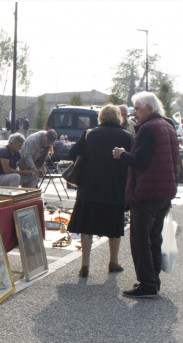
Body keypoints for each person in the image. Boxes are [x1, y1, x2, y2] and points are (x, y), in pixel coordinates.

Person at [113, 92, 179, 298]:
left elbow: (141, 160)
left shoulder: (149, 128)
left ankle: (147, 283)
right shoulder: (167, 126)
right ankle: (153, 280)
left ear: (149, 108)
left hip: (147, 191)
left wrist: (122, 154)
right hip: (163, 191)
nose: (135, 113)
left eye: (137, 109)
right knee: (153, 238)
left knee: (141, 239)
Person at [67, 105, 133, 278]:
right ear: (119, 118)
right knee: (114, 227)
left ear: (101, 117)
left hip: (89, 187)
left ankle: (85, 264)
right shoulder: (127, 136)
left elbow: (72, 153)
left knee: (86, 226)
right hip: (114, 188)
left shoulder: (90, 134)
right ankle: (113, 261)